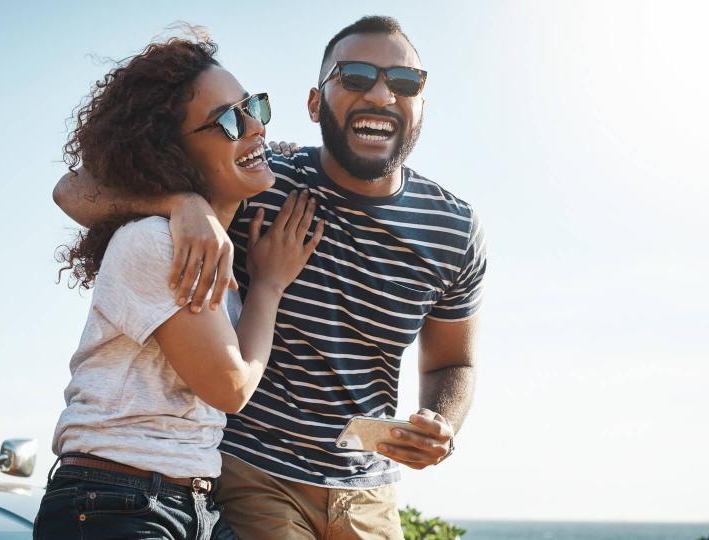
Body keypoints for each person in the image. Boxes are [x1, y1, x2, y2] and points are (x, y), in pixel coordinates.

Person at [53, 16, 486, 540]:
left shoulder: (454, 229)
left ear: (421, 102)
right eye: (353, 76)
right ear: (314, 102)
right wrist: (182, 202)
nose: (380, 94)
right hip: (249, 474)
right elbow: (76, 190)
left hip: (368, 487)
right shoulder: (262, 176)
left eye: (403, 82)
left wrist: (442, 423)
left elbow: (453, 361)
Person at [36, 32, 324, 540]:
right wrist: (271, 285)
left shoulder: (208, 241)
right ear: (173, 153)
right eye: (230, 121)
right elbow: (230, 387)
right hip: (115, 502)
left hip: (184, 501)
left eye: (254, 105)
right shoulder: (157, 242)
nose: (254, 126)